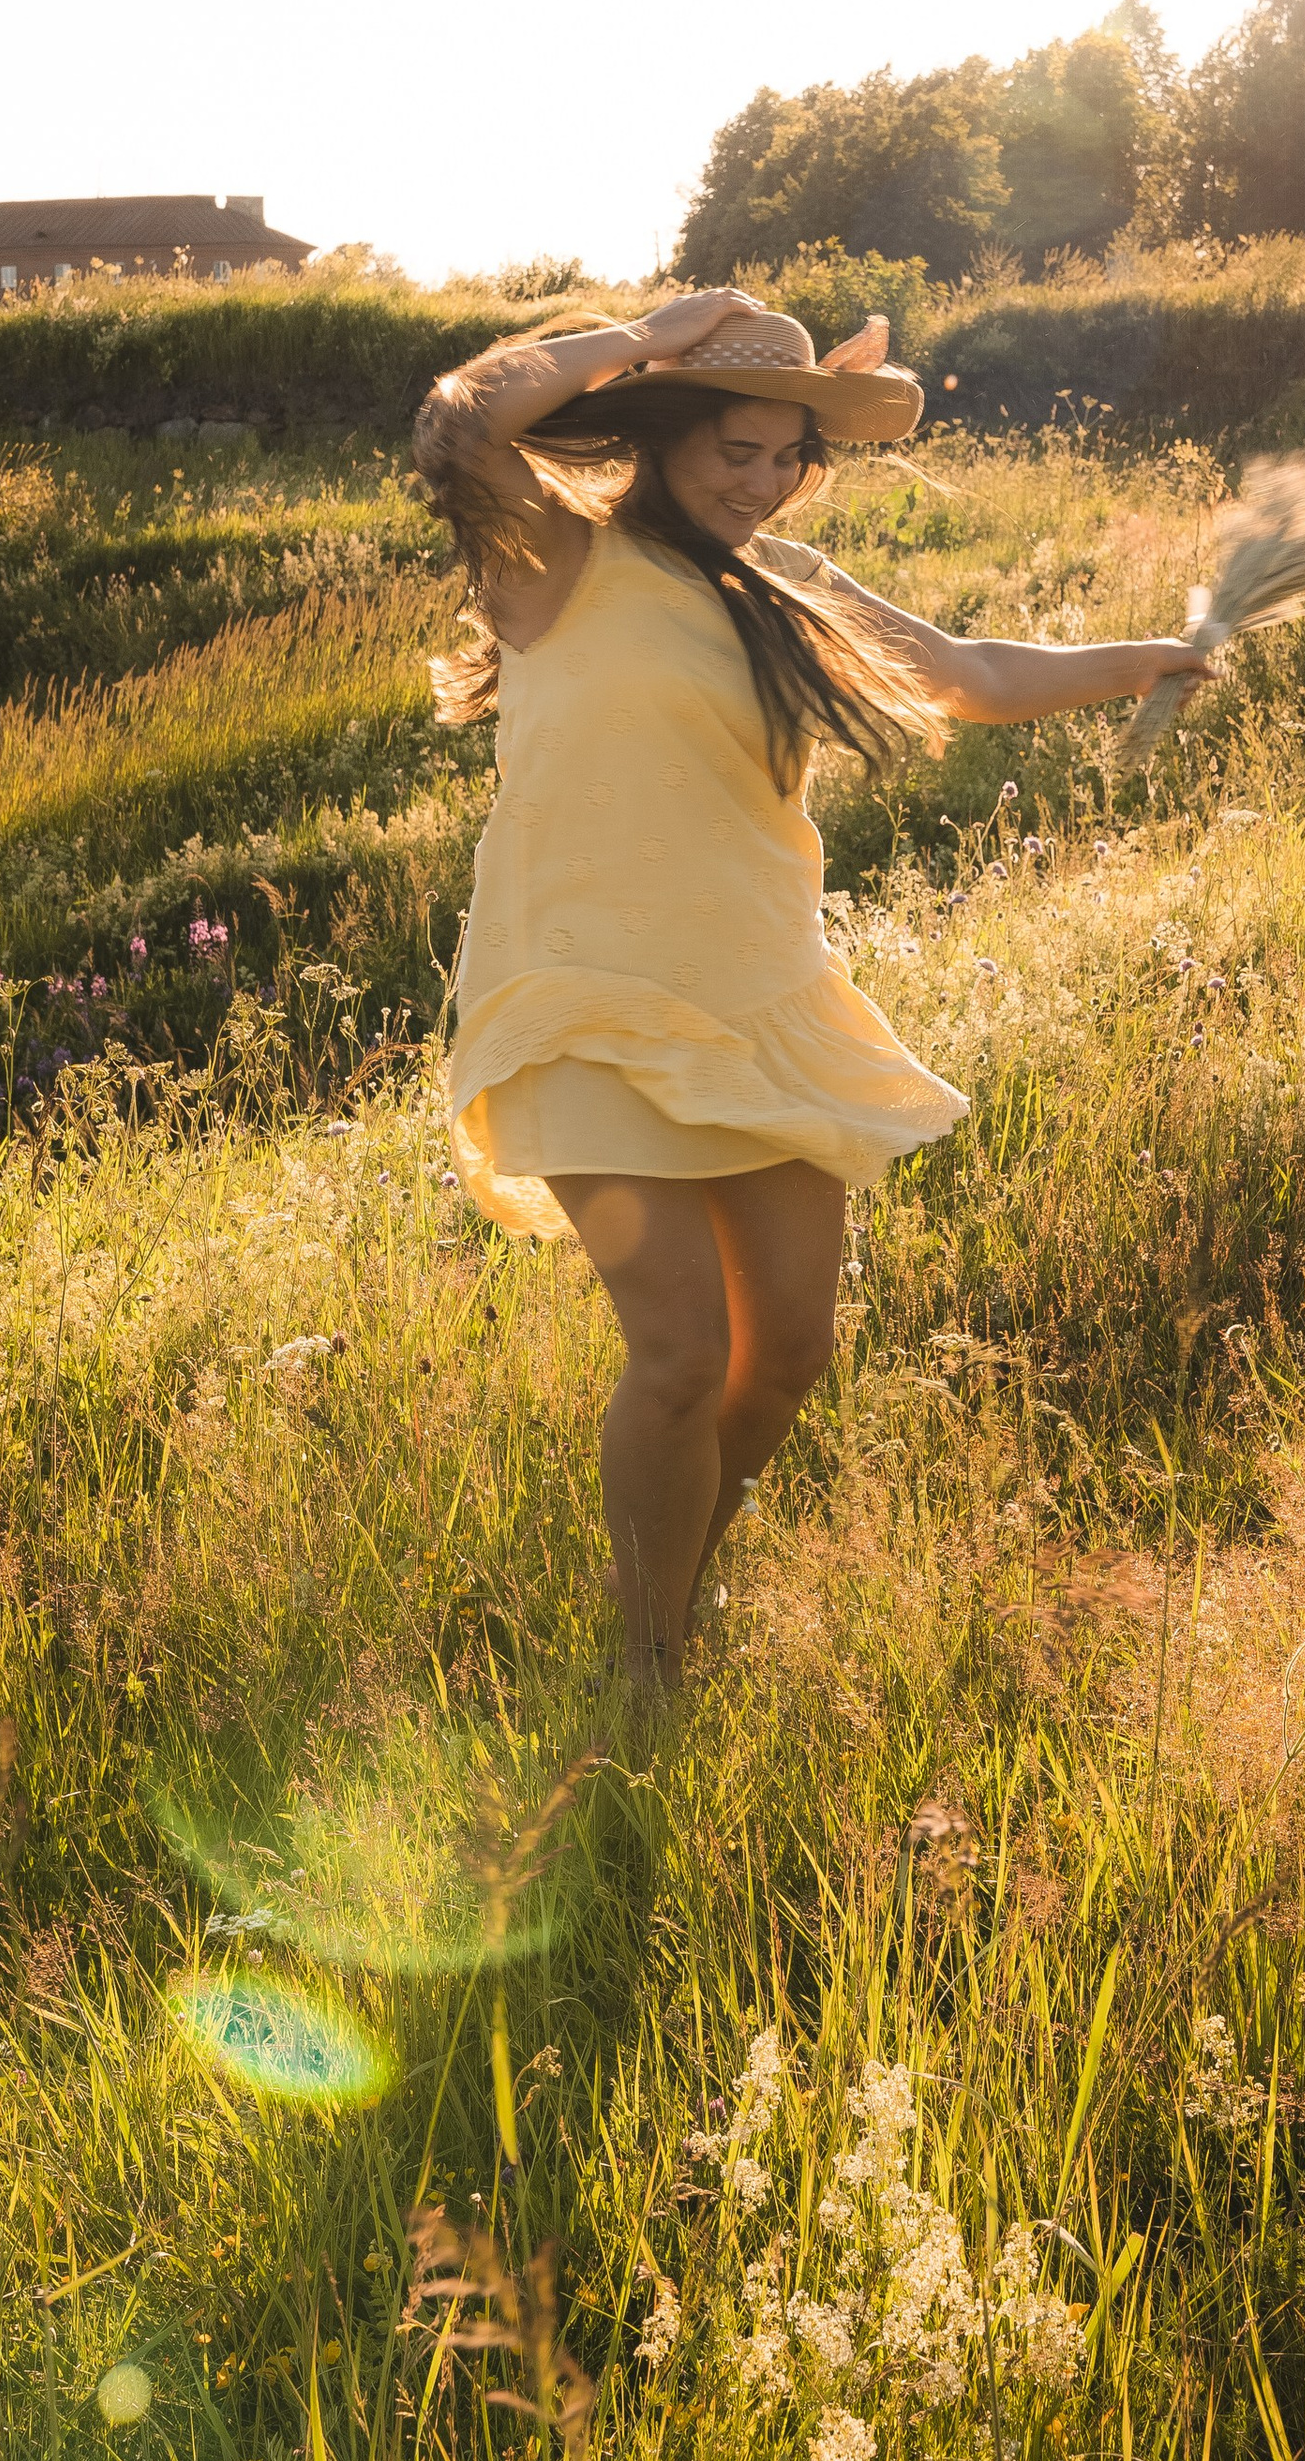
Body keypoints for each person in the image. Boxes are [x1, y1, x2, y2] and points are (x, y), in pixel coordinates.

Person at [414, 287, 1216, 1690]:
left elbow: (963, 674)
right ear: (659, 434)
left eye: (788, 456)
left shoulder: (790, 587)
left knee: (784, 1355)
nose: (762, 480)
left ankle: (671, 1582)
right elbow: (461, 417)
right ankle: (647, 1657)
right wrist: (641, 337)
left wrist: (1140, 659)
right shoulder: (554, 554)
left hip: (761, 999)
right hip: (584, 1005)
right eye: (733, 447)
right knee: (678, 1355)